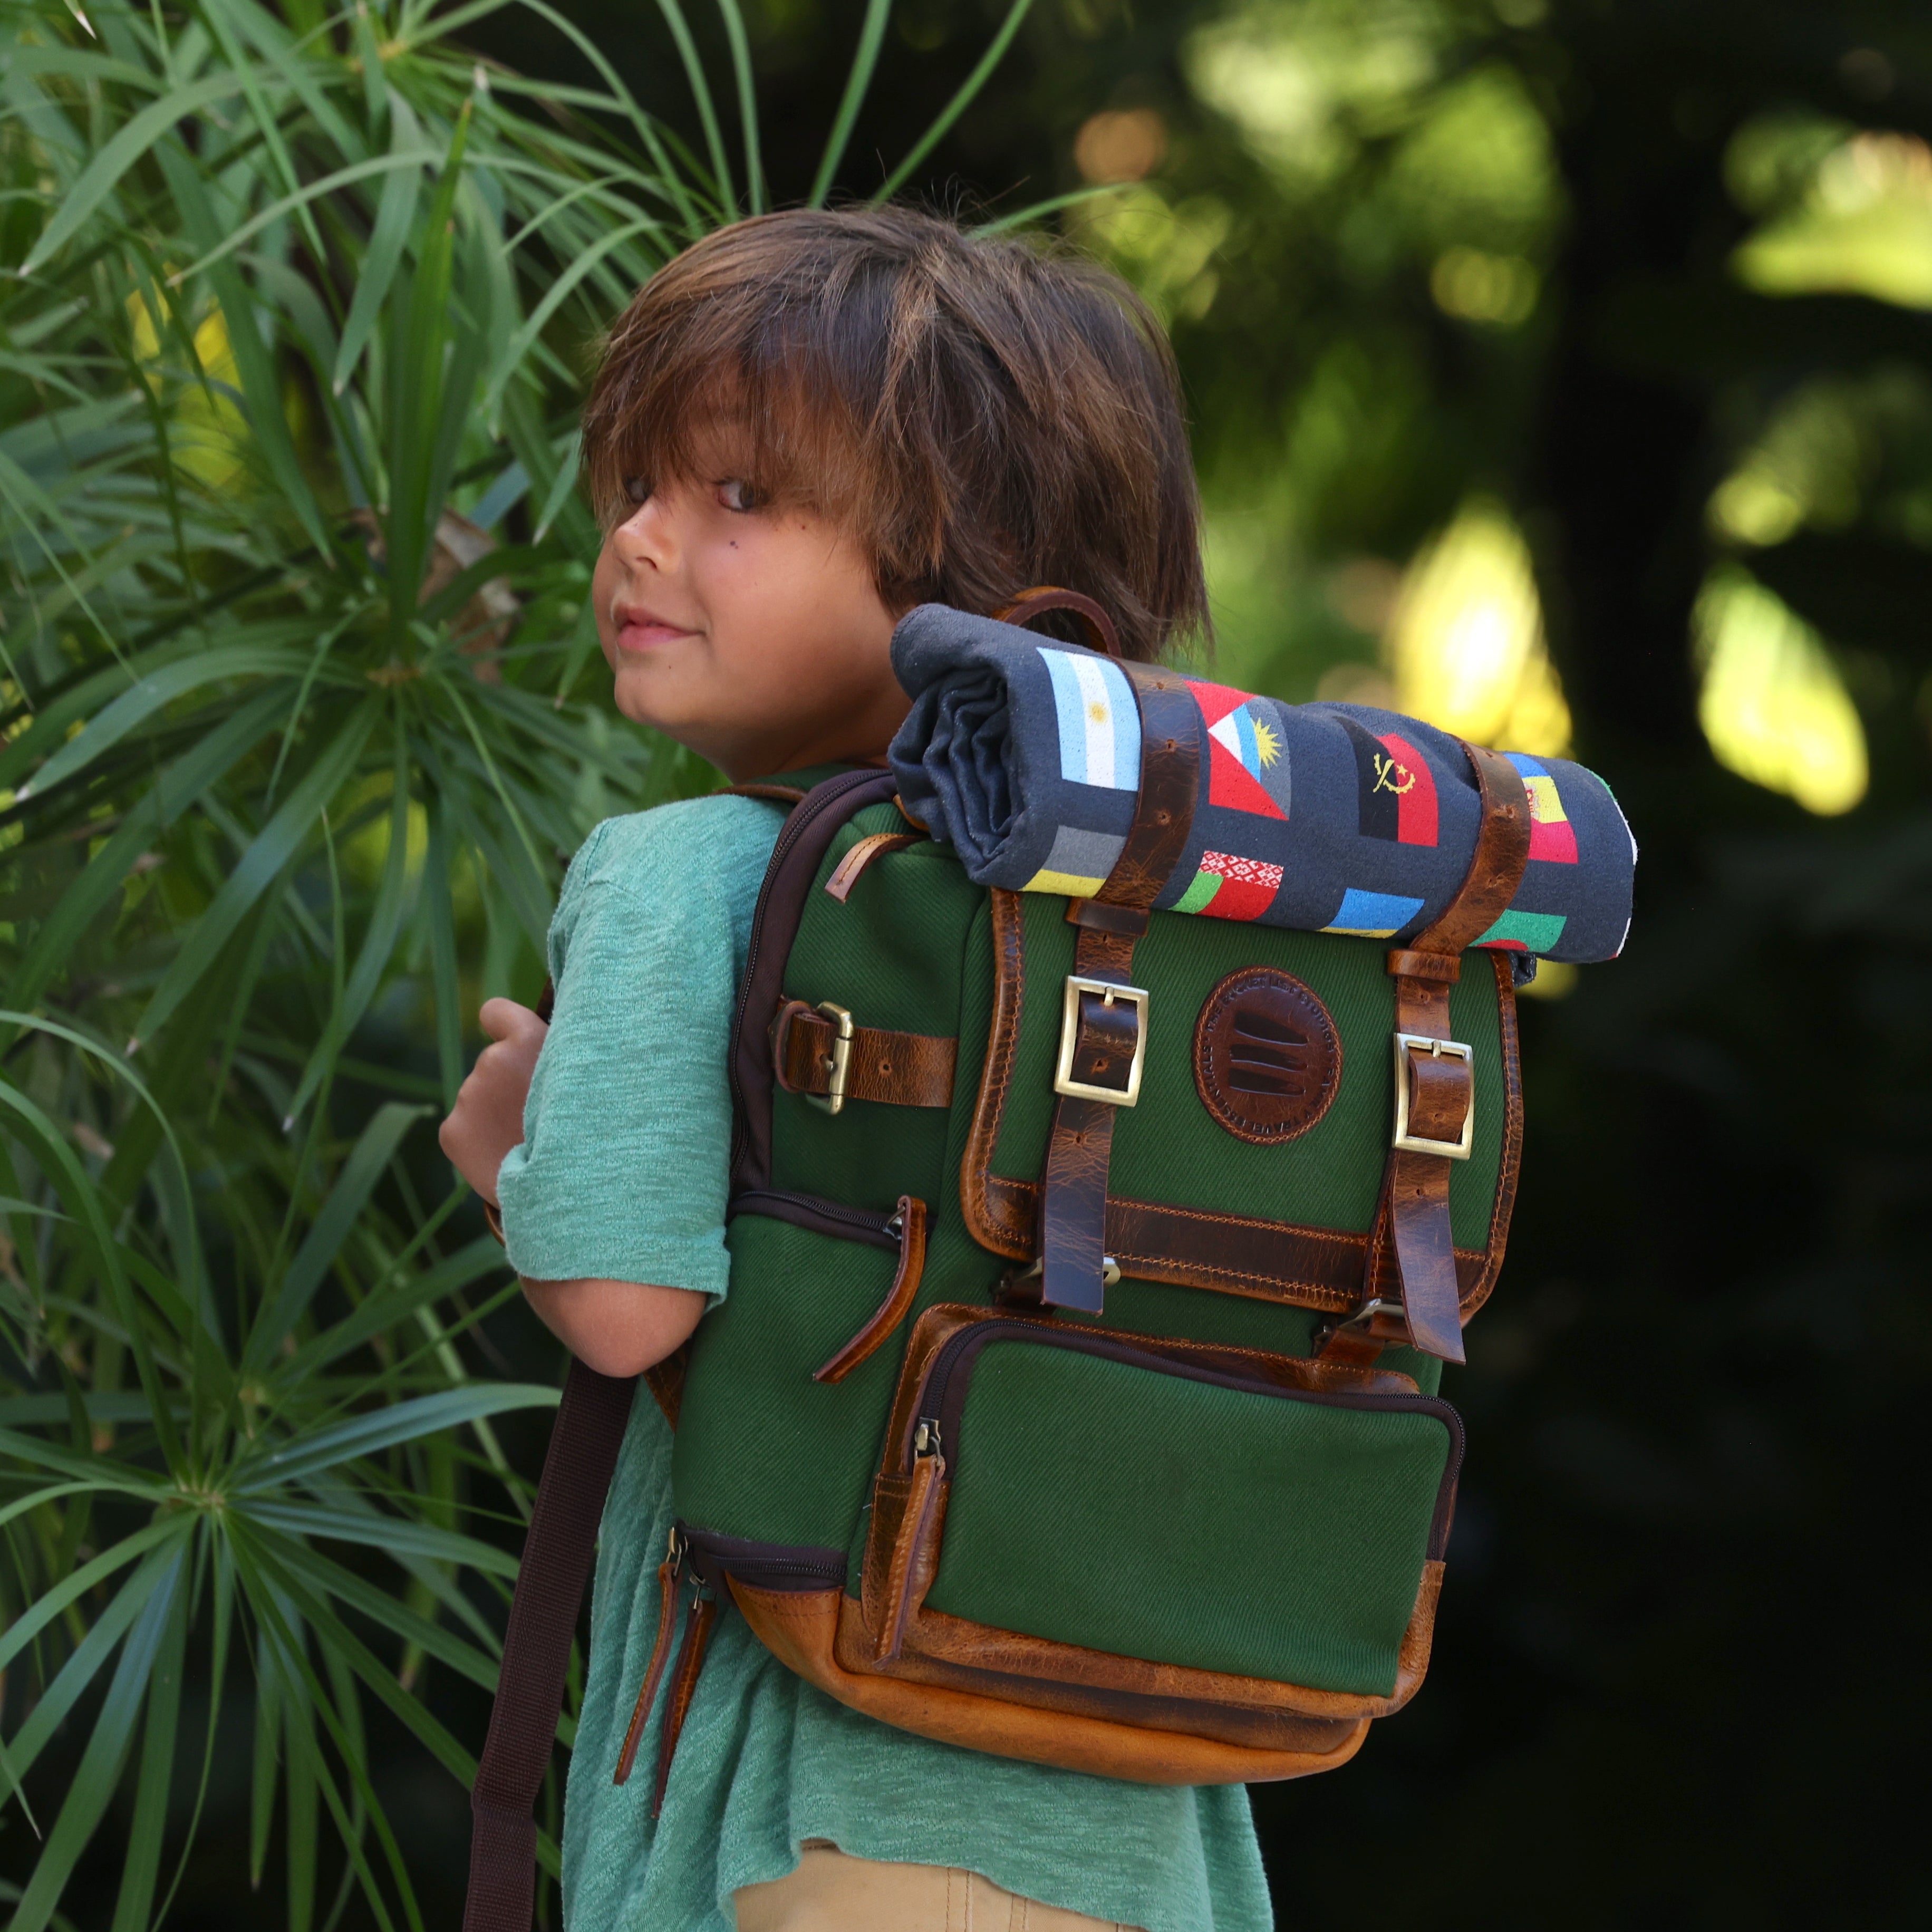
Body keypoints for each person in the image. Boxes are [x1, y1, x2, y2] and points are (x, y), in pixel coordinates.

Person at [438, 206, 1271, 1932]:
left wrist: (517, 1142)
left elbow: (621, 1305)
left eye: (741, 496)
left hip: (824, 1804)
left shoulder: (689, 871)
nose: (641, 541)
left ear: (959, 575)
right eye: (641, 484)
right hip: (1139, 1818)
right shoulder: (1162, 926)